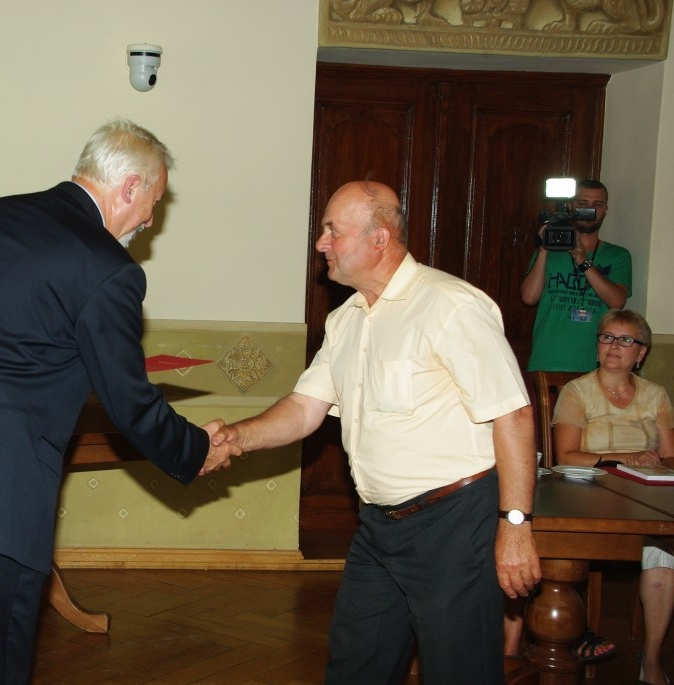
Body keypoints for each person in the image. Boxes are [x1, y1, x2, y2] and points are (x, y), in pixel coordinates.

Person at [0, 118, 239, 683]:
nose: (150, 218)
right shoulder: (108, 269)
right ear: (128, 186)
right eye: (151, 202)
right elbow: (129, 403)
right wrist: (195, 448)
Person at [211, 180, 541, 684]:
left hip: (453, 525)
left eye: (332, 231)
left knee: (460, 673)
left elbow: (513, 414)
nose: (321, 243)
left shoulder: (449, 304)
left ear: (380, 238)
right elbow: (304, 408)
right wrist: (235, 438)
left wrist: (515, 524)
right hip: (378, 529)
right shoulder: (346, 321)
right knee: (355, 665)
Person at [553, 309, 674, 685]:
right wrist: (623, 458)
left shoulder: (656, 395)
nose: (614, 346)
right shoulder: (577, 391)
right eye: (607, 337)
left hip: (646, 488)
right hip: (590, 487)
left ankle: (651, 658)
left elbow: (670, 455)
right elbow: (566, 456)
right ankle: (578, 629)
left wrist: (651, 465)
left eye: (625, 340)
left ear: (641, 352)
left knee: (665, 552)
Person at [521, 179, 632, 372]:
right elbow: (529, 297)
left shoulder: (618, 255)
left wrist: (583, 260)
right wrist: (544, 249)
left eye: (597, 205)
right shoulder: (550, 253)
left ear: (605, 210)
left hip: (595, 365)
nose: (589, 210)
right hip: (548, 361)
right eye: (582, 204)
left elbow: (617, 301)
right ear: (571, 207)